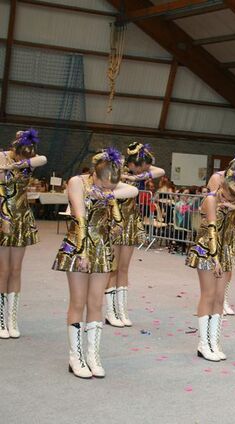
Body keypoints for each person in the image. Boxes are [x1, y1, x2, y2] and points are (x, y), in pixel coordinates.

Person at [53, 148, 138, 378]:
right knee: (78, 302)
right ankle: (76, 357)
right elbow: (79, 216)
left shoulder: (109, 186)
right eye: (104, 185)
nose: (107, 189)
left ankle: (93, 355)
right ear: (94, 175)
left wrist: (110, 195)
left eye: (112, 186)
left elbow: (133, 189)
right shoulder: (77, 182)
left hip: (102, 247)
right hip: (79, 245)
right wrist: (82, 252)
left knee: (96, 304)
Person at [187, 154, 235, 361]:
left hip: (224, 248)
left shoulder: (233, 197)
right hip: (208, 250)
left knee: (220, 297)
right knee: (208, 295)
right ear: (221, 188)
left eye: (232, 198)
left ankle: (214, 341)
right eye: (227, 196)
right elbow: (211, 231)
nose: (227, 200)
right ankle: (203, 343)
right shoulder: (210, 199)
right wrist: (215, 259)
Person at [105, 142, 165, 328]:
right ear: (132, 163)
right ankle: (110, 311)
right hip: (114, 219)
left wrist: (141, 172)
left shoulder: (139, 171)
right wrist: (124, 174)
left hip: (131, 219)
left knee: (124, 267)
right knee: (113, 267)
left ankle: (122, 309)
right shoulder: (115, 167)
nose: (145, 171)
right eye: (141, 167)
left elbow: (160, 171)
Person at [0, 129, 47, 339]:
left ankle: (12, 318)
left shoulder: (29, 161)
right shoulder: (2, 157)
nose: (24, 159)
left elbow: (43, 159)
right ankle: (1, 319)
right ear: (14, 149)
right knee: (3, 270)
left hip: (21, 216)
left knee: (16, 269)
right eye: (20, 155)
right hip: (3, 215)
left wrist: (21, 164)